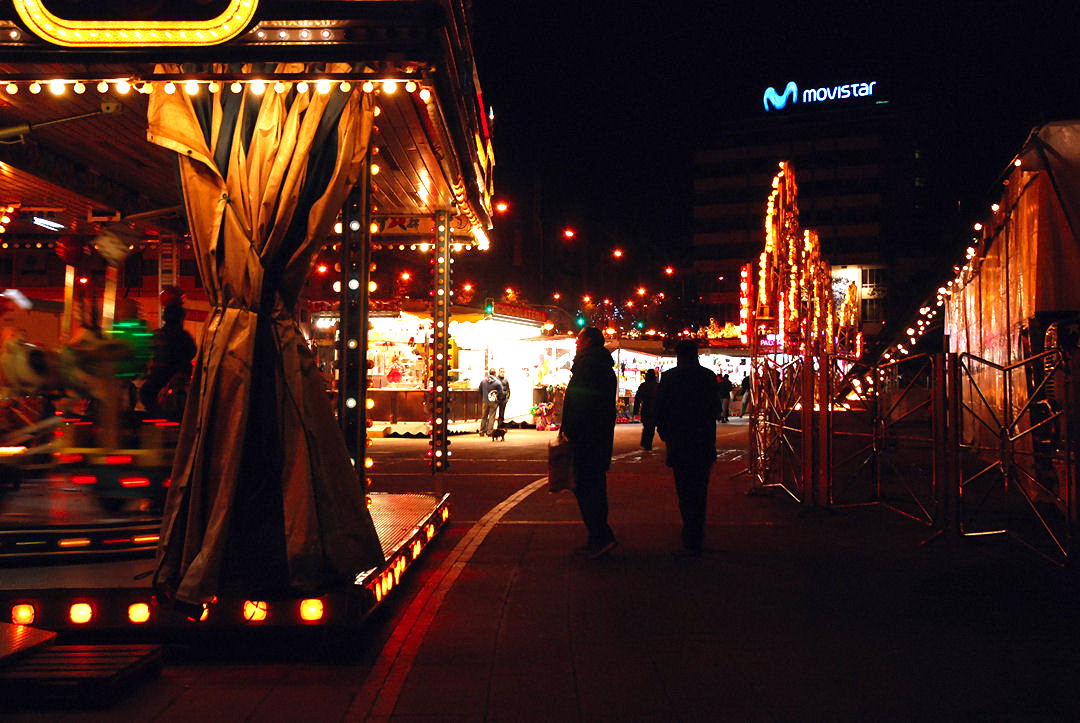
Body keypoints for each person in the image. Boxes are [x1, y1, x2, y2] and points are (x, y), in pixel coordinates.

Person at [656, 339, 718, 557]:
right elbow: (715, 409)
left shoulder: (670, 377)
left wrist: (665, 433)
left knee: (684, 488)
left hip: (679, 440)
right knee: (700, 488)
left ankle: (689, 531)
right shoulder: (708, 376)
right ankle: (696, 532)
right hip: (702, 439)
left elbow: (660, 408)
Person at [561, 326, 618, 558]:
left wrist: (570, 432)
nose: (576, 343)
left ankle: (600, 536)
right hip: (598, 437)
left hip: (586, 438)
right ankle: (600, 535)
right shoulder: (602, 367)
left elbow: (580, 404)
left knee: (586, 486)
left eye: (579, 339)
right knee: (594, 486)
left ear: (588, 342)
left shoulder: (588, 367)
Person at [139, 287, 197, 421]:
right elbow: (191, 353)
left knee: (146, 394)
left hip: (158, 381)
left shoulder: (157, 336)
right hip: (178, 381)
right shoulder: (185, 338)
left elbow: (148, 355)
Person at [633, 369, 659, 451]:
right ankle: (647, 444)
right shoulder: (658, 386)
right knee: (651, 427)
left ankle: (646, 443)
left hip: (646, 408)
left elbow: (638, 398)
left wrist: (636, 410)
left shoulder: (643, 385)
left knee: (647, 426)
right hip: (655, 409)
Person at [478, 369, 504, 436]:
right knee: (492, 416)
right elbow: (501, 393)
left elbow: (480, 390)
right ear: (495, 374)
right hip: (493, 401)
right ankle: (489, 432)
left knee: (484, 416)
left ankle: (481, 431)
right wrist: (498, 400)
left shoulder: (483, 381)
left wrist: (484, 397)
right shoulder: (497, 382)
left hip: (485, 401)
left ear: (489, 373)